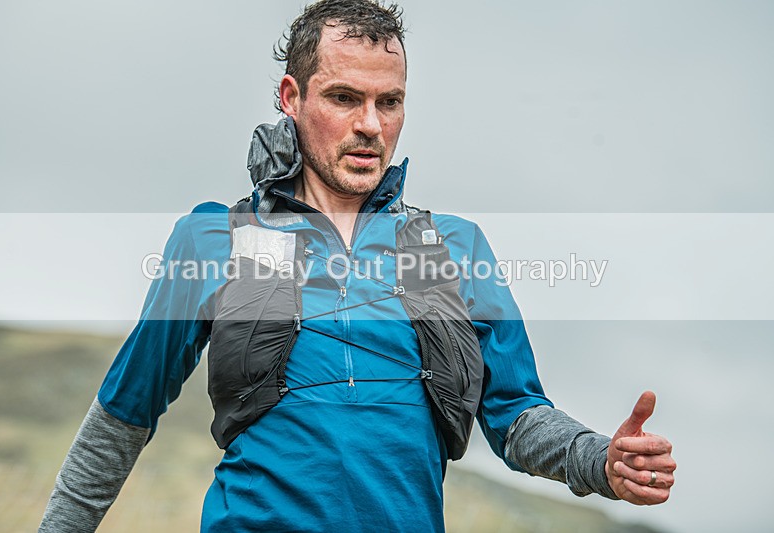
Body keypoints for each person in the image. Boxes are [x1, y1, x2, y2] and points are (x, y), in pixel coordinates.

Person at [39, 1, 676, 531]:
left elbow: (515, 412)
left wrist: (601, 460)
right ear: (291, 96)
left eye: (389, 102)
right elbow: (124, 414)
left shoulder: (448, 248)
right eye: (344, 98)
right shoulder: (218, 237)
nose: (370, 125)